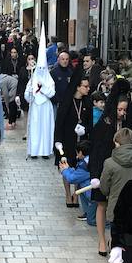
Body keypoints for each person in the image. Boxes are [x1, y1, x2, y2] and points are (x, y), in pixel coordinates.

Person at [89, 88, 131, 249]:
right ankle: (101, 239)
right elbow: (96, 150)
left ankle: (115, 240)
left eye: (124, 110)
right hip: (104, 168)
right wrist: (94, 174)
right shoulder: (104, 123)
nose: (122, 113)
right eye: (119, 109)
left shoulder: (128, 123)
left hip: (122, 171)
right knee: (101, 204)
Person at [97, 128, 132, 252]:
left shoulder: (110, 163)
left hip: (115, 206)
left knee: (116, 238)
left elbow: (104, 188)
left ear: (116, 143)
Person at [54, 74, 92, 205]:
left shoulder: (87, 102)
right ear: (77, 87)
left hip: (81, 141)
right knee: (67, 165)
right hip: (67, 139)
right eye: (85, 86)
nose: (88, 89)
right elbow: (59, 122)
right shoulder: (67, 102)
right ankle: (67, 194)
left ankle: (76, 194)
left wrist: (85, 129)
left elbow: (90, 123)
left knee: (79, 168)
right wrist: (57, 140)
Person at [25, 45, 56, 159]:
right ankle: (34, 150)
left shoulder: (49, 80)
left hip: (46, 106)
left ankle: (45, 151)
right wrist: (29, 94)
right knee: (35, 128)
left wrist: (42, 88)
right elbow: (27, 94)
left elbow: (51, 93)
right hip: (35, 106)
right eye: (40, 68)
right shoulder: (33, 79)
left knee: (45, 129)